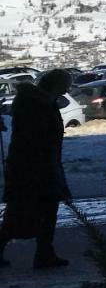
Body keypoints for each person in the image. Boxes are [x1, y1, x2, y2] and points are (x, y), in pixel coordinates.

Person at [0, 69, 72, 269]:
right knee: (27, 210)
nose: (67, 90)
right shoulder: (38, 104)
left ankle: (44, 252)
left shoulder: (41, 102)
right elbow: (34, 137)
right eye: (65, 85)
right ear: (55, 85)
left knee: (42, 209)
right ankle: (43, 253)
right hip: (33, 165)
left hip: (40, 163)